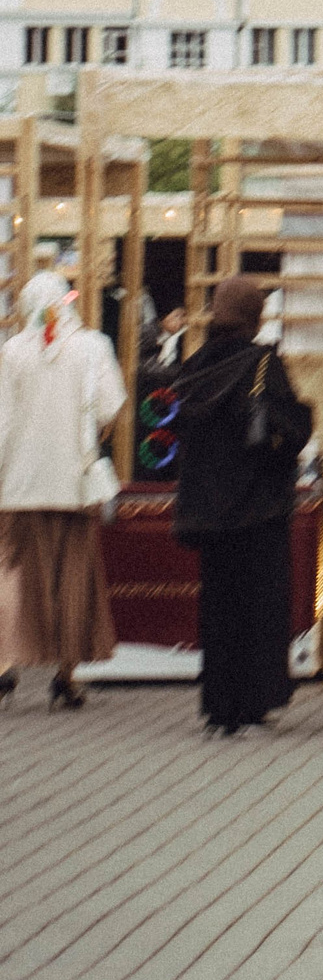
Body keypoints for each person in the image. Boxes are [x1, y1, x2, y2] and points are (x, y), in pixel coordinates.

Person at [170, 277, 313, 735]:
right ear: (254, 315)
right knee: (258, 606)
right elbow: (288, 431)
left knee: (218, 607)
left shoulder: (192, 368)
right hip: (257, 510)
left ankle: (218, 705)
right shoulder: (261, 364)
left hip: (208, 512)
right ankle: (252, 703)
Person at [0, 273, 128, 711]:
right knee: (72, 577)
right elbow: (112, 405)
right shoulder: (94, 347)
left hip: (16, 488)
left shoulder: (11, 352)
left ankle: (5, 668)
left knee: (12, 577)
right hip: (74, 485)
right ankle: (66, 676)